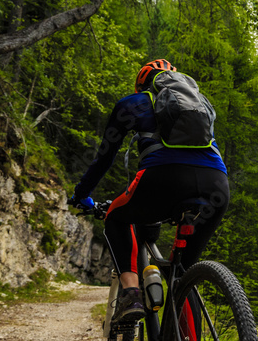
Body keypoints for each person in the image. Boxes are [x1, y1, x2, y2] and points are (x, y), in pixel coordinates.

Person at [70, 59, 229, 326]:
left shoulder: (132, 103)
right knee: (184, 275)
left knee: (116, 217)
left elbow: (104, 158)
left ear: (142, 83)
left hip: (160, 179)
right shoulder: (198, 103)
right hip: (216, 185)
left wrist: (81, 195)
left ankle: (131, 293)